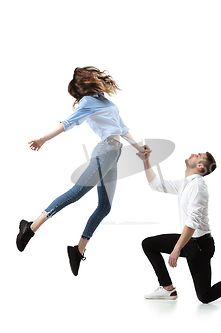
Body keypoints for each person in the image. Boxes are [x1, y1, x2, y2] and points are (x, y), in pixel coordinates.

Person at [16, 66, 148, 276]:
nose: (96, 77)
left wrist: (139, 147)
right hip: (105, 151)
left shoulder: (106, 100)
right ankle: (30, 228)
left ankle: (78, 250)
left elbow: (122, 128)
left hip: (114, 154)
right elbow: (67, 123)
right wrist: (43, 139)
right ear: (86, 81)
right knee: (77, 192)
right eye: (91, 76)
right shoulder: (87, 102)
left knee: (104, 207)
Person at [138, 148, 221, 303]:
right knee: (149, 244)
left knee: (205, 296)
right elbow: (157, 185)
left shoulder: (198, 186)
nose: (193, 154)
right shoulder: (185, 184)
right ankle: (167, 288)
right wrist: (146, 161)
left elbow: (192, 222)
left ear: (201, 166)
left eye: (198, 155)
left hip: (200, 246)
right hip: (189, 240)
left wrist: (176, 249)